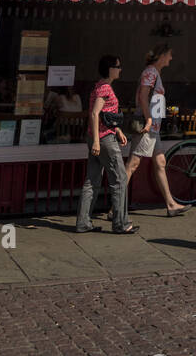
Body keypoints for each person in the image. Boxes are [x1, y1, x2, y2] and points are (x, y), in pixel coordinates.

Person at [75, 55, 137, 234]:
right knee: (120, 179)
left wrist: (117, 131)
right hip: (103, 140)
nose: (120, 69)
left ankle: (83, 222)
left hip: (99, 137)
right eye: (118, 66)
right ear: (110, 69)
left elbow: (105, 115)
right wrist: (97, 141)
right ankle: (121, 223)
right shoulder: (105, 88)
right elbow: (95, 114)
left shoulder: (98, 86)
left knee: (92, 180)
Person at [124, 44, 188, 216]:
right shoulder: (151, 72)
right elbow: (143, 95)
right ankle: (115, 207)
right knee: (133, 164)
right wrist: (149, 118)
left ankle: (171, 204)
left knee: (160, 162)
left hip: (153, 128)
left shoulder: (154, 73)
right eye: (169, 55)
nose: (171, 58)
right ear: (161, 56)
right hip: (148, 127)